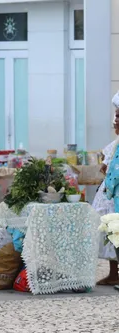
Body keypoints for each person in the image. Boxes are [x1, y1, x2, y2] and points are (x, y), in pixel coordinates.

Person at [94, 98, 119, 285]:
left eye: (118, 116)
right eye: (116, 115)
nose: (115, 120)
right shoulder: (114, 144)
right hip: (111, 194)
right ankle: (113, 274)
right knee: (111, 231)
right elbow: (105, 166)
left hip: (114, 192)